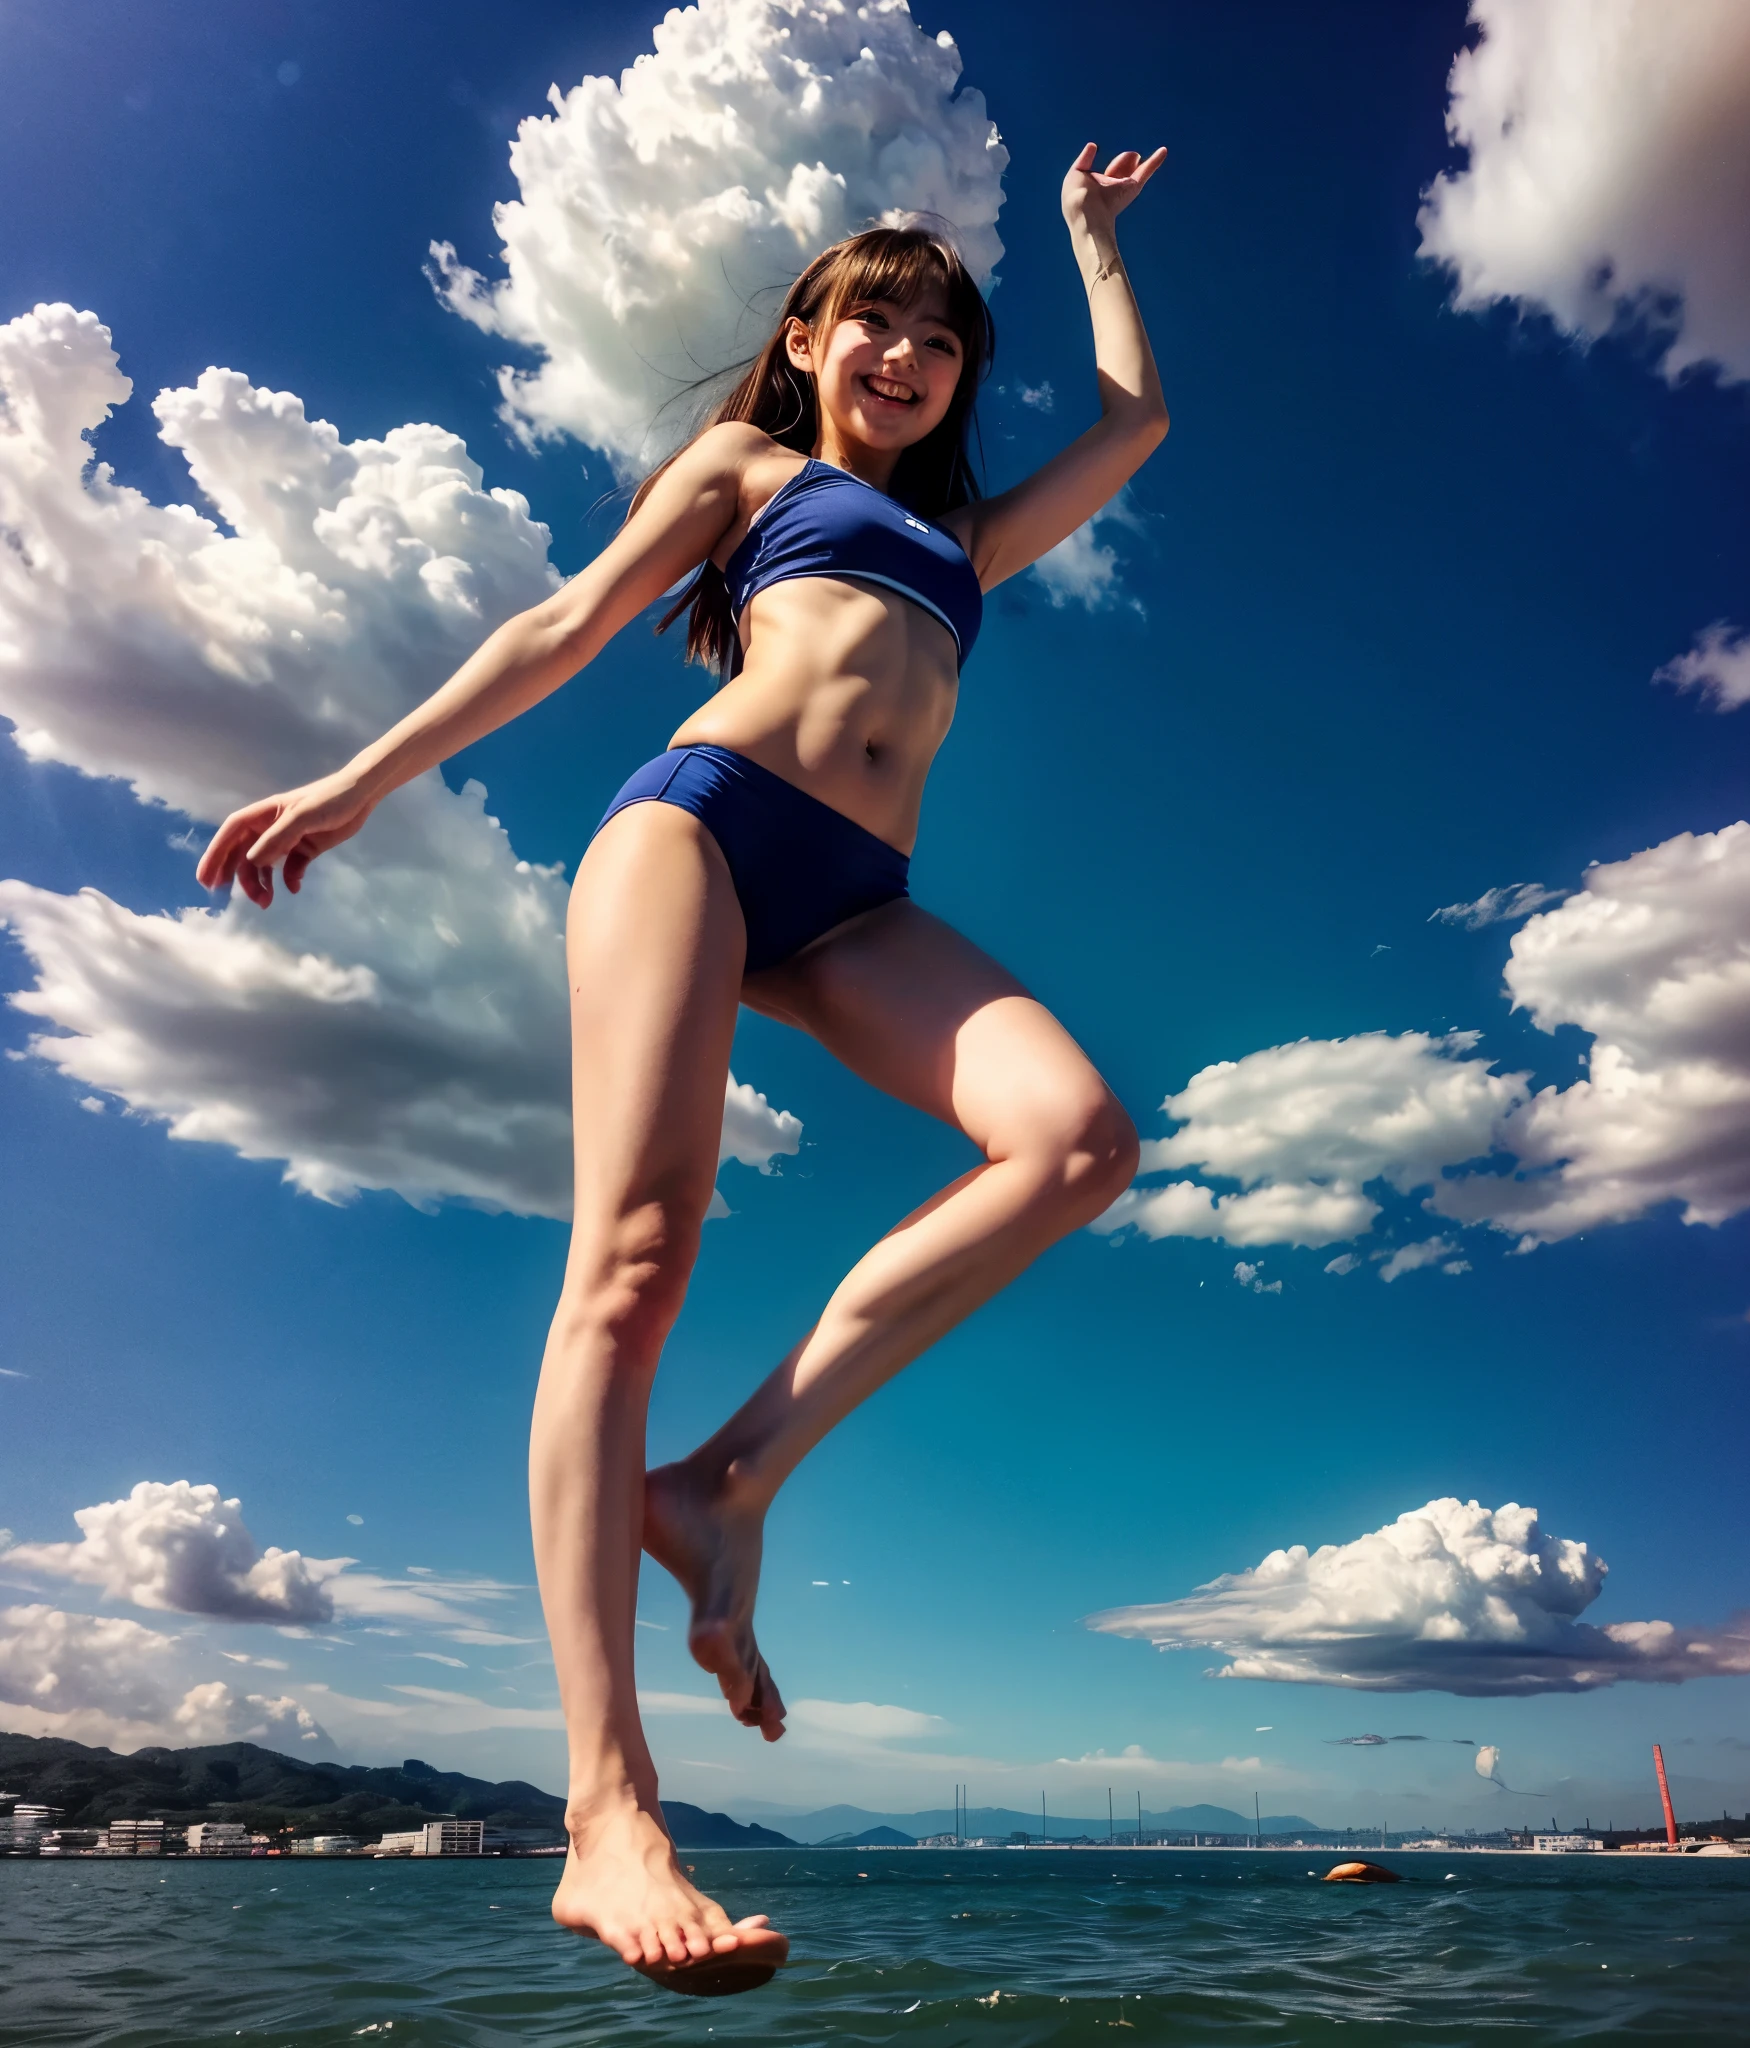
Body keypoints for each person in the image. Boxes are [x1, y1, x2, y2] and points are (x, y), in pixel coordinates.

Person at [197, 142, 1167, 1995]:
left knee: (1075, 1141)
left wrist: (1089, 245)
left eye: (941, 337)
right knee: (636, 1256)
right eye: (870, 314)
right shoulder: (754, 474)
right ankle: (605, 1808)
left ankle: (724, 1485)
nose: (903, 349)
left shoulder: (965, 548)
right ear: (806, 339)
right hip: (701, 829)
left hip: (857, 899)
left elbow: (1136, 424)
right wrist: (355, 781)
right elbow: (558, 626)